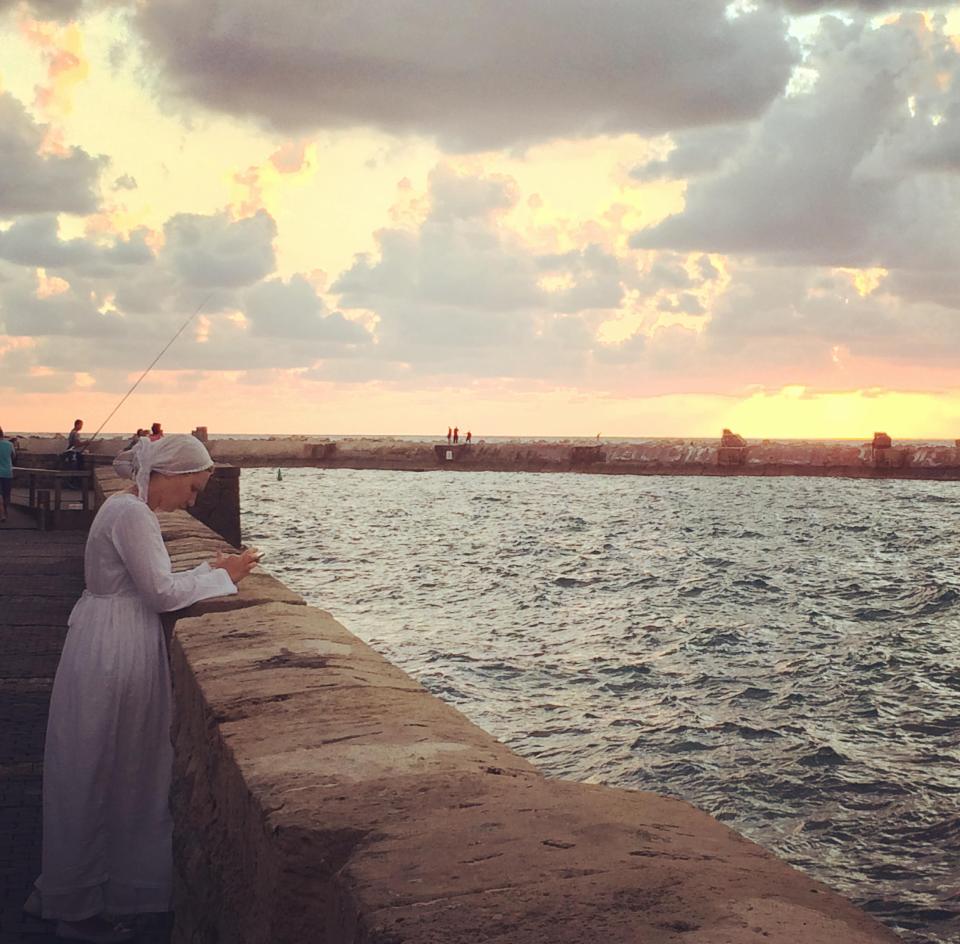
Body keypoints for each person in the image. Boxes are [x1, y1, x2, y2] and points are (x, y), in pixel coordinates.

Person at [26, 435, 259, 942]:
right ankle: (78, 910)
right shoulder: (132, 514)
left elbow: (148, 578)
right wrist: (229, 578)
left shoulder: (124, 509)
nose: (192, 502)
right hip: (117, 646)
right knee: (108, 765)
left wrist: (205, 569)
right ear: (168, 475)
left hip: (105, 634)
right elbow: (157, 593)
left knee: (93, 763)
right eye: (192, 489)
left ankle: (74, 892)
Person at [0, 426, 15, 523]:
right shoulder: (9, 444)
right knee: (6, 495)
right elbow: (13, 456)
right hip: (7, 472)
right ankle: (5, 511)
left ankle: (2, 514)